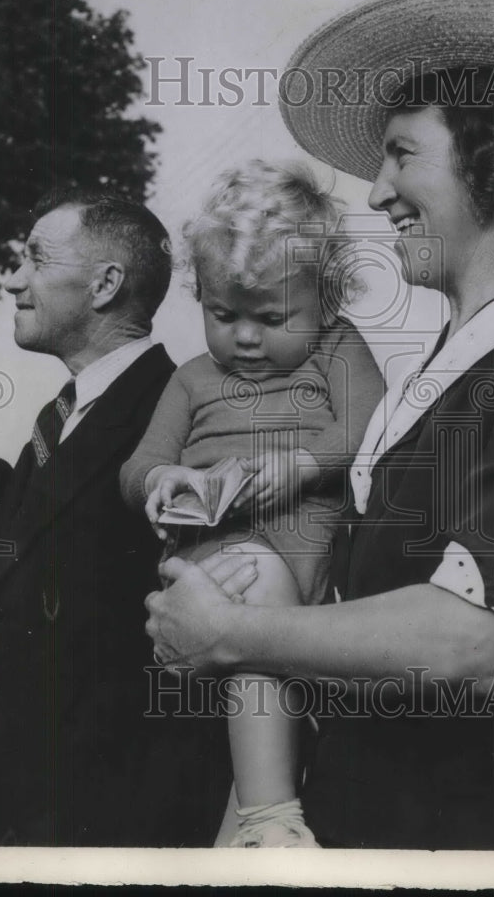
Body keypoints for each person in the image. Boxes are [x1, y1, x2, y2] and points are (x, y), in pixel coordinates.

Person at [144, 0, 494, 849]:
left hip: (466, 844)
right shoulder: (427, 373)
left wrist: (232, 632)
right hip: (348, 824)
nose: (375, 192)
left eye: (400, 154)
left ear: (488, 159)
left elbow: (472, 647)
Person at [0, 190, 234, 845]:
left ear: (105, 283)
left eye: (35, 257)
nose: (13, 278)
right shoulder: (54, 425)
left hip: (117, 828)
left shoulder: (188, 414)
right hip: (11, 816)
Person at [120, 160, 384, 847]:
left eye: (271, 317)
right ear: (198, 295)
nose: (244, 337)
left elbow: (366, 422)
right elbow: (140, 464)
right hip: (221, 554)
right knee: (258, 617)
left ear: (325, 300)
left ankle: (244, 820)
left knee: (274, 675)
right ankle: (271, 821)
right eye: (222, 313)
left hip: (315, 546)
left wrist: (302, 464)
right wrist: (163, 484)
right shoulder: (190, 379)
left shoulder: (334, 347)